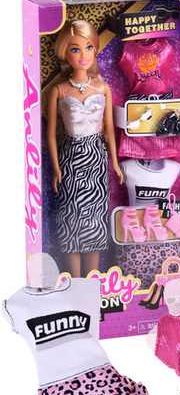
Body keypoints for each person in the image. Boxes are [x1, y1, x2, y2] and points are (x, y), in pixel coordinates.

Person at [47, 20, 122, 278]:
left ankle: (91, 280)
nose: (83, 55)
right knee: (71, 217)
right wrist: (56, 169)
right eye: (75, 49)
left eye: (89, 47)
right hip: (69, 160)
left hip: (96, 160)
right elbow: (51, 134)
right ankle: (75, 282)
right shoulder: (59, 90)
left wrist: (114, 162)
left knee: (95, 219)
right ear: (64, 52)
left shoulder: (102, 88)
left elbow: (109, 129)